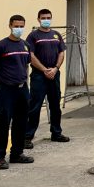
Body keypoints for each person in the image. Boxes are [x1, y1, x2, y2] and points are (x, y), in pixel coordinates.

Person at [0, 15, 34, 170]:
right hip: (6, 90)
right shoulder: (0, 46)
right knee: (3, 122)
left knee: (21, 122)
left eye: (22, 26)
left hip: (22, 89)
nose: (19, 29)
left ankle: (17, 154)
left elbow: (25, 65)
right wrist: (0, 83)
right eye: (16, 26)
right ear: (10, 26)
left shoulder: (25, 45)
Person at [25, 9, 68, 148]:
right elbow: (30, 55)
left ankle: (56, 133)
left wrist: (55, 68)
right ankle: (28, 136)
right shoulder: (33, 36)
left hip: (54, 74)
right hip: (39, 76)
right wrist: (44, 70)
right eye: (43, 17)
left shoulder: (56, 35)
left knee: (55, 105)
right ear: (38, 19)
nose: (46, 19)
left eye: (48, 17)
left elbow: (61, 52)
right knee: (35, 106)